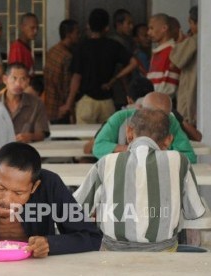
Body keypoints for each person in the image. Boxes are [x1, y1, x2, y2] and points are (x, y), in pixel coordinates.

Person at [74, 108, 204, 251]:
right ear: (168, 140)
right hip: (163, 254)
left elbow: (77, 208)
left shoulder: (105, 163)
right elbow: (194, 212)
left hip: (113, 255)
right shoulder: (180, 161)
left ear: (129, 133)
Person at [62, 8, 137, 124]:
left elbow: (76, 78)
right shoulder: (113, 46)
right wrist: (114, 79)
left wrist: (68, 104)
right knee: (106, 140)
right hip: (107, 103)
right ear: (106, 27)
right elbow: (133, 63)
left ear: (88, 26)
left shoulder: (81, 47)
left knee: (84, 140)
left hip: (86, 102)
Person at [92, 92, 196, 163]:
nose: (158, 122)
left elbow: (189, 157)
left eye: (164, 117)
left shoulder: (171, 122)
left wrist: (149, 155)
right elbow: (98, 147)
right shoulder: (120, 118)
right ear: (140, 110)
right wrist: (132, 151)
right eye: (151, 115)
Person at [0, 63, 49, 143]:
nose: (18, 84)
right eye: (14, 78)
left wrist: (30, 136)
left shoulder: (37, 104)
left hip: (26, 151)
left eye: (23, 79)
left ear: (28, 81)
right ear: (5, 79)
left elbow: (41, 134)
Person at [43, 19, 79, 124]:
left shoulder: (52, 51)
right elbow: (66, 86)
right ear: (69, 34)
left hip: (50, 104)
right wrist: (69, 107)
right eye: (76, 33)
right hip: (61, 108)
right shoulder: (67, 57)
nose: (79, 36)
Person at [170, 6, 198, 126]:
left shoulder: (194, 40)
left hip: (192, 94)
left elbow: (174, 62)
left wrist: (180, 43)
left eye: (190, 23)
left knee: (188, 124)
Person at [146, 13, 180, 97]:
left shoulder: (173, 50)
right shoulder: (158, 52)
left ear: (164, 28)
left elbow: (169, 86)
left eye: (151, 28)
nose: (148, 32)